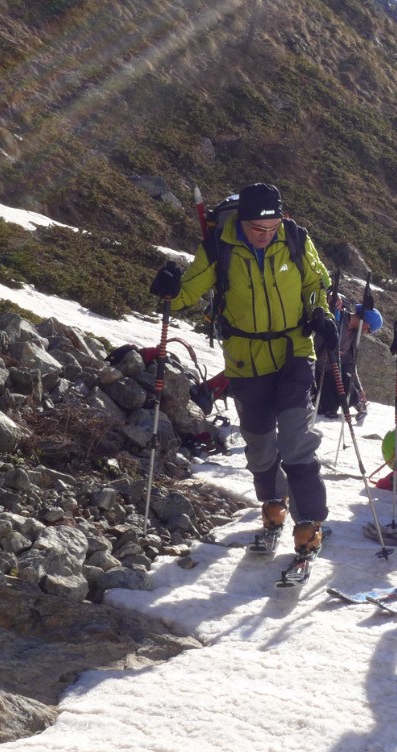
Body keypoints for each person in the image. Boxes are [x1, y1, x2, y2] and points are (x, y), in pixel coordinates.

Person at [150, 182, 333, 558]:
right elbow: (189, 291)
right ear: (243, 222)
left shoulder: (295, 238)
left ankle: (309, 524)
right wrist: (168, 291)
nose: (266, 237)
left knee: (296, 440)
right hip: (246, 360)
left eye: (272, 229)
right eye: (257, 230)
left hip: (294, 350)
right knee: (260, 444)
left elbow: (316, 283)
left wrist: (320, 312)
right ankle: (272, 505)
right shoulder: (220, 247)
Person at [316, 291, 383, 422]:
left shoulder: (352, 336)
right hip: (319, 370)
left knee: (345, 380)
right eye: (369, 330)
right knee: (327, 408)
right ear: (366, 324)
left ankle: (357, 401)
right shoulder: (336, 318)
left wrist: (359, 388)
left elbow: (350, 365)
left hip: (335, 373)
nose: (367, 333)